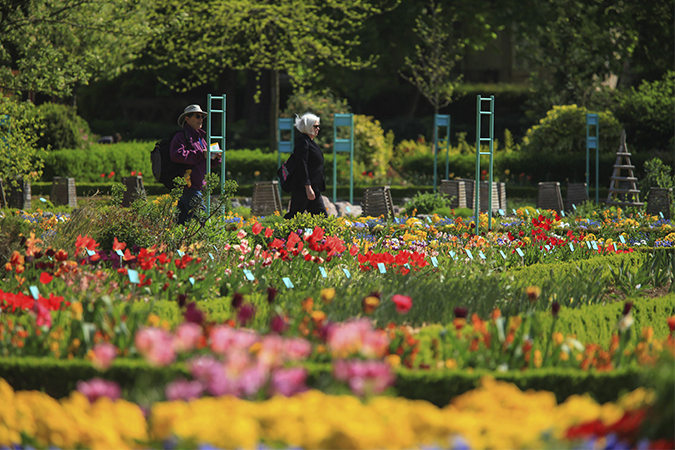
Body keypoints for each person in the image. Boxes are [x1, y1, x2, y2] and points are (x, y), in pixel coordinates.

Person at [170, 104, 219, 225]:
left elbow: (204, 160)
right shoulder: (181, 136)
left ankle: (172, 243)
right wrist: (201, 154)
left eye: (202, 117)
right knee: (204, 222)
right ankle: (213, 244)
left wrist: (215, 158)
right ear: (187, 118)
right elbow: (176, 155)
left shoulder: (201, 139)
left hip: (196, 186)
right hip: (189, 186)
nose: (201, 119)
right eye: (197, 116)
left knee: (180, 224)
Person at [284, 112, 327, 219]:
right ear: (309, 126)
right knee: (294, 217)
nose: (318, 129)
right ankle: (277, 234)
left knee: (321, 218)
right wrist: (308, 187)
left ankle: (325, 236)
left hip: (313, 188)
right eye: (316, 126)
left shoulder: (309, 142)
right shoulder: (303, 142)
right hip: (303, 189)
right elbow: (302, 165)